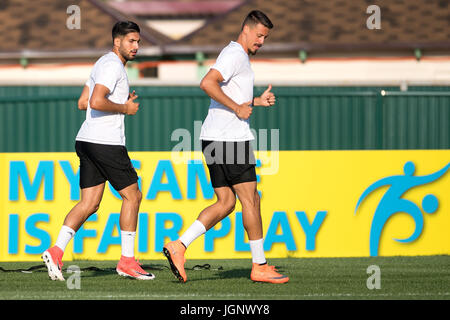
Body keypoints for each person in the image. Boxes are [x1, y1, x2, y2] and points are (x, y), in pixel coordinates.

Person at [163, 10, 289, 284]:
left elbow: (233, 98)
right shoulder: (234, 54)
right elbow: (207, 82)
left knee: (226, 202)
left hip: (214, 137)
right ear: (246, 30)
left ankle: (179, 246)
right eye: (259, 35)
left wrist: (254, 102)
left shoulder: (237, 56)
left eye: (265, 37)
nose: (262, 42)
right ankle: (260, 265)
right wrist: (237, 108)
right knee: (251, 200)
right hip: (230, 140)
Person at [41, 21, 154, 281]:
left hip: (87, 140)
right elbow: (95, 101)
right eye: (131, 41)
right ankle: (127, 261)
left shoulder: (102, 63)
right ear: (117, 42)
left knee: (89, 203)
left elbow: (82, 102)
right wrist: (125, 108)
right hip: (105, 142)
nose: (136, 46)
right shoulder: (113, 65)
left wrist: (115, 102)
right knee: (133, 196)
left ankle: (56, 251)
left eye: (138, 41)